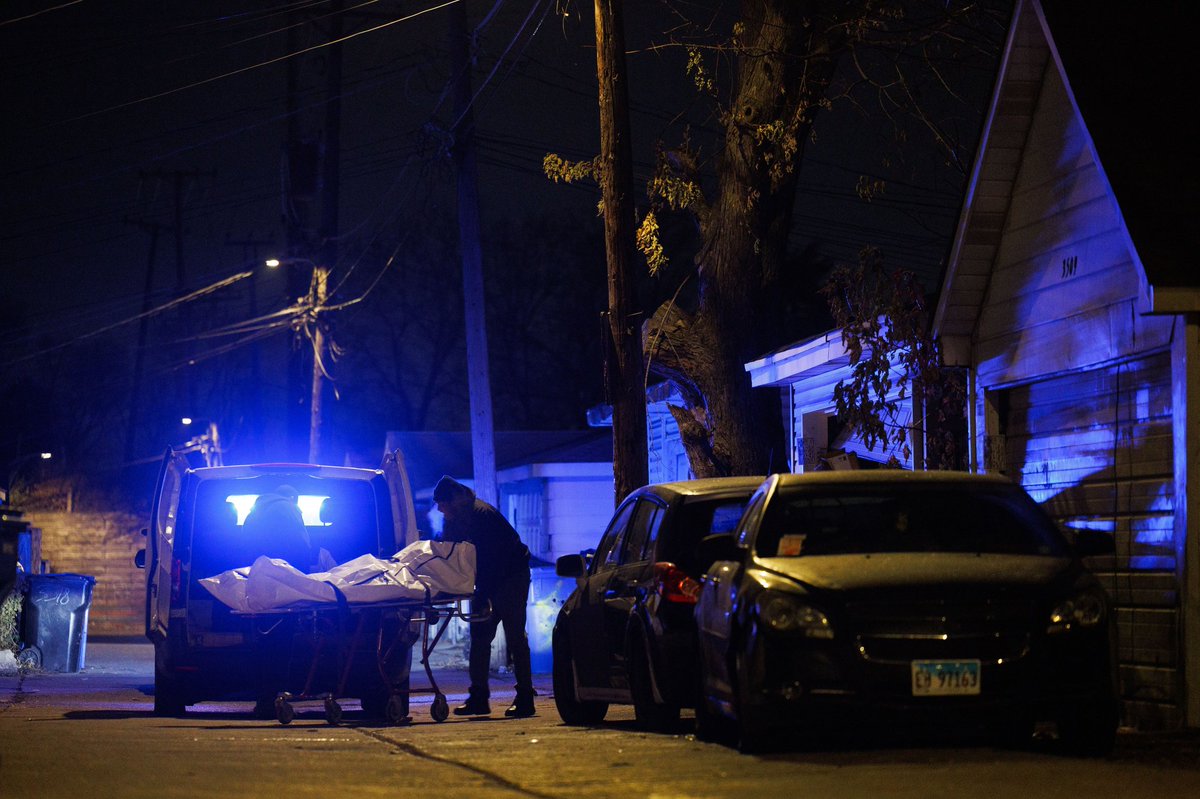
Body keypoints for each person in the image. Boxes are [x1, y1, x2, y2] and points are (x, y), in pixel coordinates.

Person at [433, 475, 534, 718]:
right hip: (487, 581)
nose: (440, 509)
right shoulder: (456, 519)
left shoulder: (482, 516)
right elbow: (452, 552)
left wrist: (481, 592)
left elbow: (493, 559)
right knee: (479, 638)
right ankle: (479, 697)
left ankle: (525, 698)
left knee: (515, 638)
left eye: (443, 504)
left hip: (511, 577)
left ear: (454, 501)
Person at [242, 484, 312, 571]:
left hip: (255, 567)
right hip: (285, 569)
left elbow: (245, 540)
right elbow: (303, 541)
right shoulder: (290, 507)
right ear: (292, 497)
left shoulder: (255, 510)